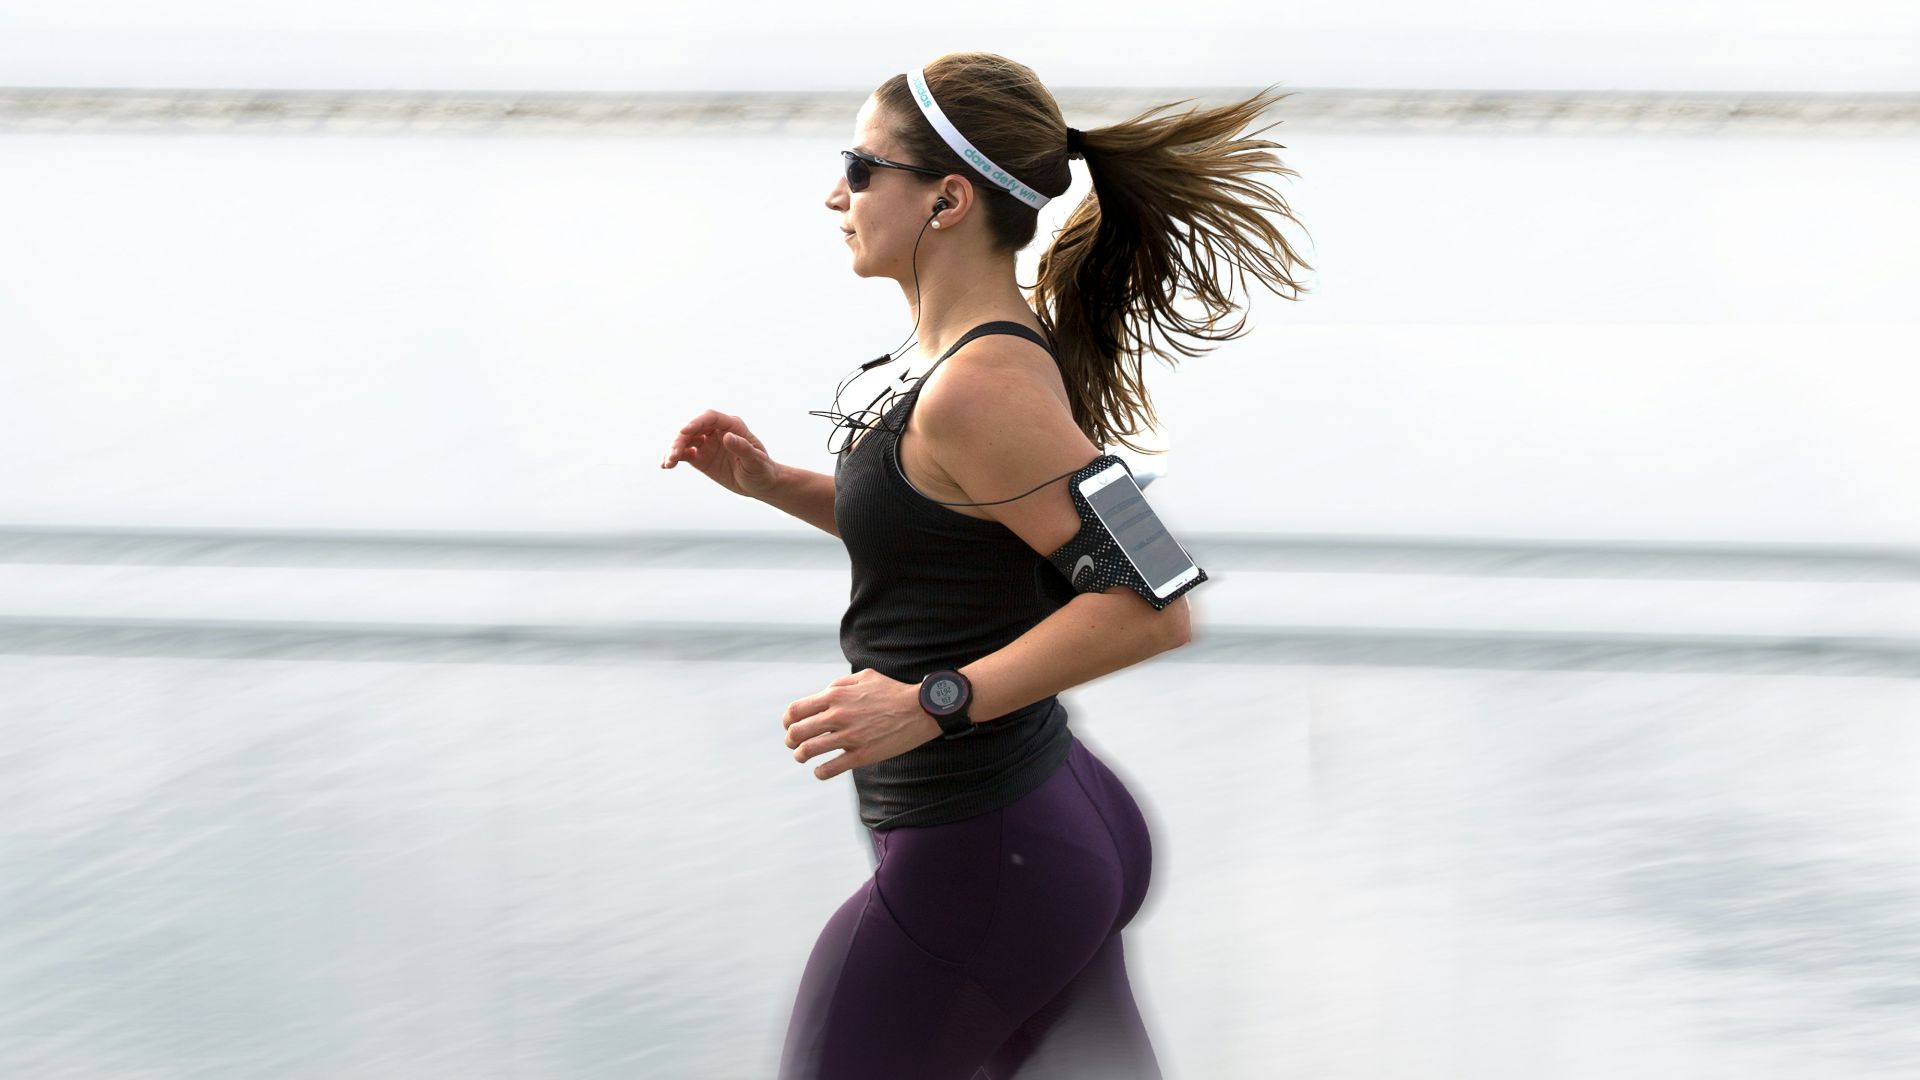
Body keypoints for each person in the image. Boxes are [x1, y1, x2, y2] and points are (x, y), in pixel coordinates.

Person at [661, 51, 1310, 1080]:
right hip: (1040, 826)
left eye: (860, 167)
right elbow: (953, 532)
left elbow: (1155, 602)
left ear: (949, 198)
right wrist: (775, 483)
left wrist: (933, 699)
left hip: (990, 854)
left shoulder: (983, 383)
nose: (836, 194)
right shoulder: (974, 358)